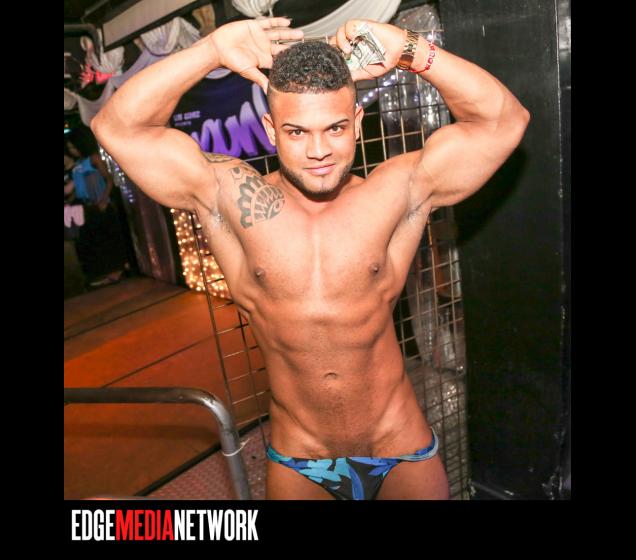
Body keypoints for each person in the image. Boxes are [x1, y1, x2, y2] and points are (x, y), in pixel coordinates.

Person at [92, 17, 530, 500]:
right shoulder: (227, 196)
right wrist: (211, 50)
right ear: (270, 129)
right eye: (297, 131)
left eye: (335, 128)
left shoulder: (396, 192)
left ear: (357, 123)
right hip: (301, 459)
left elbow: (504, 122)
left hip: (400, 446)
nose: (319, 150)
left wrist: (408, 48)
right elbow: (116, 127)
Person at [65, 128, 128, 287]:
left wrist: (104, 199)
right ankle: (109, 271)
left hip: (100, 204)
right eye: (70, 148)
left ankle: (116, 271)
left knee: (108, 238)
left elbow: (108, 180)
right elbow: (77, 187)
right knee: (99, 240)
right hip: (88, 205)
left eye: (73, 147)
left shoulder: (94, 159)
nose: (72, 150)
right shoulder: (78, 164)